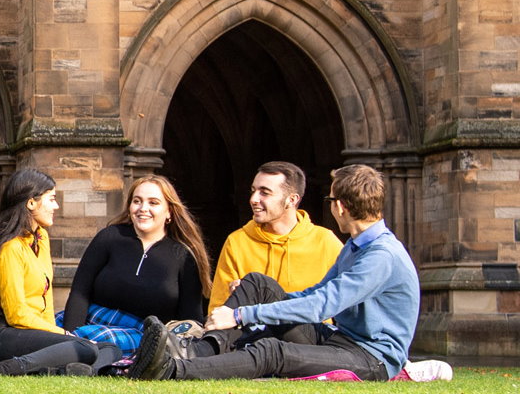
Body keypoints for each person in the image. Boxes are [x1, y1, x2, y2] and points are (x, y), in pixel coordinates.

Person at [130, 164, 420, 381]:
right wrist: (254, 304)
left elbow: (322, 305)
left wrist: (244, 314)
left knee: (272, 350)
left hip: (370, 358)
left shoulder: (381, 256)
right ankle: (194, 351)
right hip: (337, 339)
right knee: (258, 283)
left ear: (341, 207)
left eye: (330, 200)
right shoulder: (356, 245)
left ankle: (173, 370)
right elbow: (315, 293)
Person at [0, 169, 120, 376]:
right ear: (31, 203)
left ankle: (65, 371)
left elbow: (46, 298)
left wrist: (59, 336)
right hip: (1, 334)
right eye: (51, 199)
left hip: (31, 332)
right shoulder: (10, 248)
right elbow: (17, 315)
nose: (56, 206)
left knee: (110, 348)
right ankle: (1, 369)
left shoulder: (41, 238)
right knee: (84, 347)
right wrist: (64, 334)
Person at [59, 175, 211, 356]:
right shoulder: (110, 237)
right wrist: (70, 335)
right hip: (89, 322)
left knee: (106, 346)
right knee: (41, 333)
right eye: (137, 201)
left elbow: (190, 318)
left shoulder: (183, 256)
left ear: (169, 212)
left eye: (153, 203)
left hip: (143, 335)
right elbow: (80, 292)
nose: (143, 209)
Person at [209, 161, 343, 311]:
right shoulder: (237, 242)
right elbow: (218, 309)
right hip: (254, 333)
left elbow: (349, 303)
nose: (253, 199)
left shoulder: (325, 242)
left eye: (264, 192)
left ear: (292, 199)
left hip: (311, 332)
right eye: (253, 191)